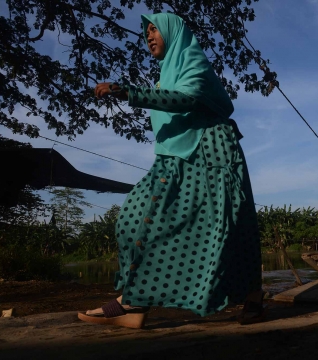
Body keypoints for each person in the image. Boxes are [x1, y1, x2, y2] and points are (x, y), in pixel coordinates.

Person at [78, 13, 264, 329]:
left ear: (171, 32)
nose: (149, 35)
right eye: (146, 31)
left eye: (155, 29)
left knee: (229, 225)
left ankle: (253, 297)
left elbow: (187, 98)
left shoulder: (194, 63)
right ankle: (135, 302)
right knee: (133, 219)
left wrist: (128, 92)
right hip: (175, 156)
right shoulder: (167, 72)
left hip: (210, 153)